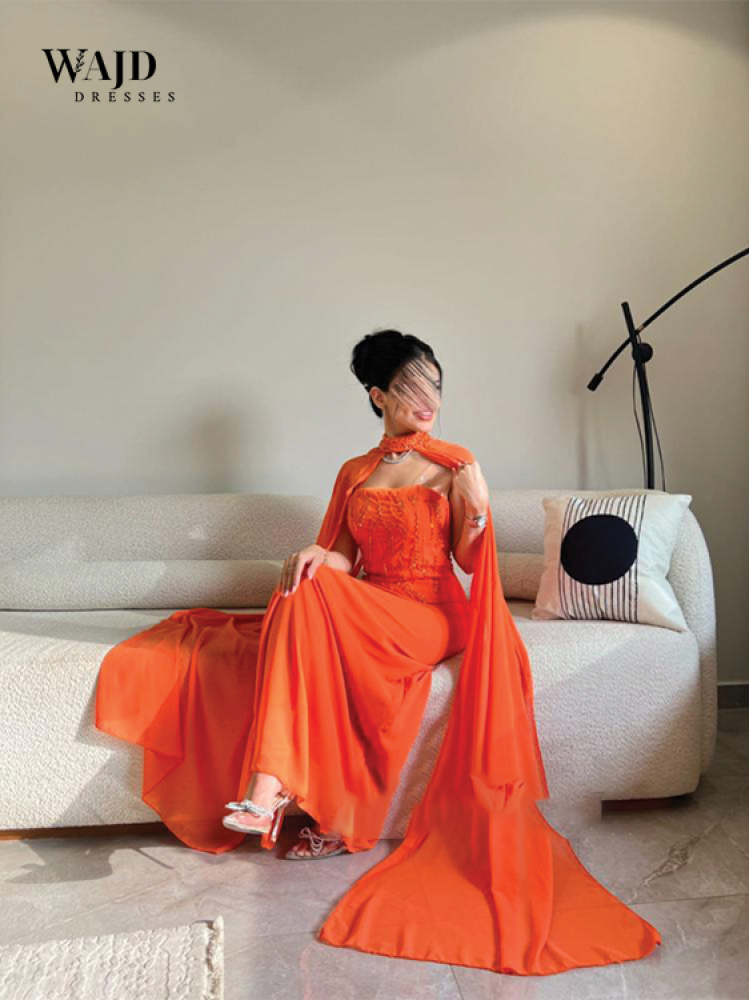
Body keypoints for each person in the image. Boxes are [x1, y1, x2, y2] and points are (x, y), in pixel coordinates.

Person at [95, 328, 662, 974]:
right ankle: (270, 789)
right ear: (377, 395)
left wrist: (477, 510)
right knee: (301, 585)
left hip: (432, 613)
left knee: (303, 603)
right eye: (411, 387)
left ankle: (270, 788)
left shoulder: (455, 463)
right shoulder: (354, 472)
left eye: (435, 385)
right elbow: (344, 557)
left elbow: (469, 560)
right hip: (373, 602)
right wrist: (317, 554)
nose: (429, 399)